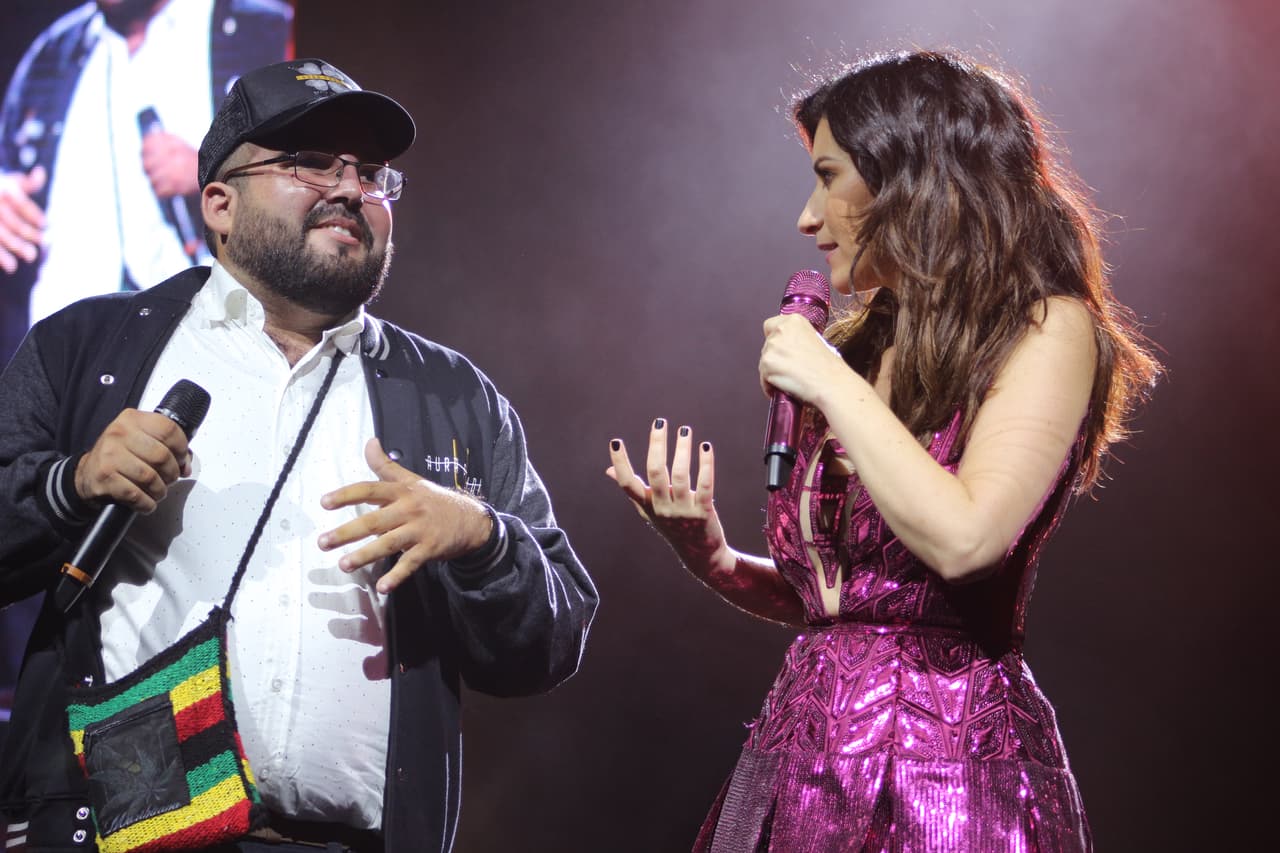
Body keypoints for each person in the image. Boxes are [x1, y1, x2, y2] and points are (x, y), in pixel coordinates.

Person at [0, 57, 597, 852]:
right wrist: (71, 486)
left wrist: (483, 540)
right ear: (219, 202)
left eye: (373, 172)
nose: (352, 188)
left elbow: (553, 640)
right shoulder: (91, 349)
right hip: (121, 835)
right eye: (309, 161)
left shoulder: (455, 397)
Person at [607, 50, 1159, 852]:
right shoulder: (865, 347)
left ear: (913, 177)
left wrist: (833, 387)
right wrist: (719, 560)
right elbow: (856, 602)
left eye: (829, 175)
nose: (807, 215)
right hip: (799, 759)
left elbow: (967, 541)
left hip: (948, 772)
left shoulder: (1048, 328)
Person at [0, 0, 293, 365]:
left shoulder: (258, 28)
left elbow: (314, 173)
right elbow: (11, 161)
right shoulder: (56, 47)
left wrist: (210, 172)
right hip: (68, 353)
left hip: (214, 344)